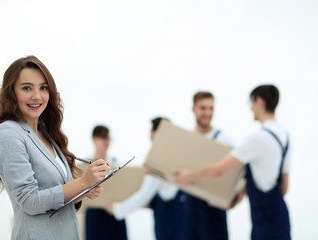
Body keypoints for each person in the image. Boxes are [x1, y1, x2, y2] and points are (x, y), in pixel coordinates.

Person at [0, 55, 108, 240]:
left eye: (43, 87)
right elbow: (29, 201)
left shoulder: (46, 134)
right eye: (27, 88)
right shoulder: (8, 132)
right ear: (12, 92)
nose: (37, 96)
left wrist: (82, 191)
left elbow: (53, 196)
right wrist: (83, 182)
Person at [175, 85, 291, 240]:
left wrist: (188, 177)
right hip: (279, 216)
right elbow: (284, 187)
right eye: (203, 108)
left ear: (259, 101)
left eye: (251, 103)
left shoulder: (256, 138)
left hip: (263, 219)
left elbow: (218, 170)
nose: (250, 108)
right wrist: (241, 194)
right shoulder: (285, 137)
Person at [105, 117, 182, 240]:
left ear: (154, 133)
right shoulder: (175, 155)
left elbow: (144, 195)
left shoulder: (159, 158)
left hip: (170, 220)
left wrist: (117, 209)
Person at [176, 91, 235, 240]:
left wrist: (235, 197)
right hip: (188, 211)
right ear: (193, 109)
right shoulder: (185, 140)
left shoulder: (224, 140)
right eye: (203, 108)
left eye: (211, 108)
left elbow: (237, 174)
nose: (207, 113)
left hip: (214, 212)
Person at [84, 125, 128, 240]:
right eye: (103, 137)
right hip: (94, 213)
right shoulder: (84, 166)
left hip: (113, 211)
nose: (106, 141)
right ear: (94, 139)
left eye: (108, 138)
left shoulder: (117, 164)